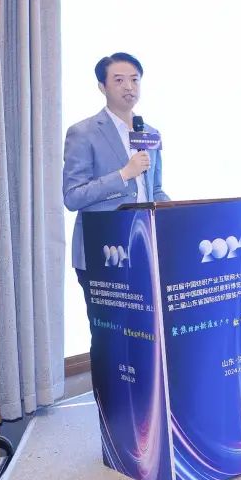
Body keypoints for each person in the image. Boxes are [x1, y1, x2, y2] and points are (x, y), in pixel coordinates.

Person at [63, 52, 170, 311]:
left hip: (143, 248)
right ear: (102, 87)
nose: (129, 87)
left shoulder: (150, 133)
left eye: (135, 80)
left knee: (145, 326)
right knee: (109, 329)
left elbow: (154, 189)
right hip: (104, 251)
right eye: (119, 80)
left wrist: (175, 213)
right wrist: (123, 174)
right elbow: (73, 196)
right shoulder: (83, 133)